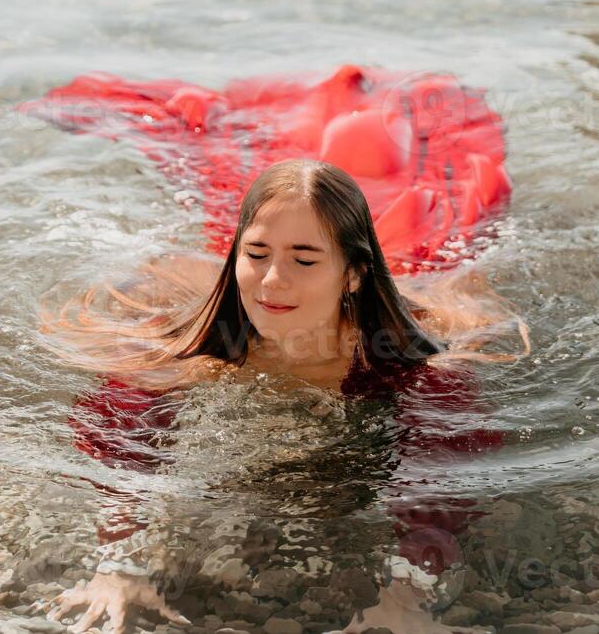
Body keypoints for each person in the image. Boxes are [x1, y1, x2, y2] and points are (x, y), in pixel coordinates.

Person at [39, 158, 528, 634]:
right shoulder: (202, 350)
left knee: (459, 226)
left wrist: (409, 598)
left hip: (429, 264)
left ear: (354, 274)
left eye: (304, 258)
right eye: (256, 255)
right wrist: (120, 563)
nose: (272, 280)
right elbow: (117, 444)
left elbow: (445, 478)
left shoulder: (406, 368)